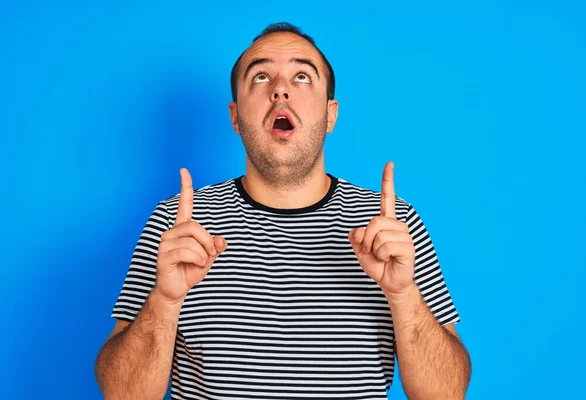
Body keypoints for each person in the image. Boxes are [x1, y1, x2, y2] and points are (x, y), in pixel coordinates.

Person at [94, 22, 472, 400]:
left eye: (303, 76)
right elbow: (122, 393)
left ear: (330, 114)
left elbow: (447, 393)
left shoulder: (392, 226)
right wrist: (164, 301)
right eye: (260, 76)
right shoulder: (177, 225)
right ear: (235, 116)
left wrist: (404, 294)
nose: (280, 89)